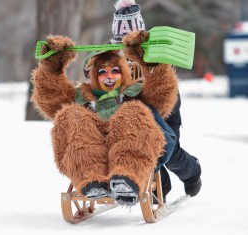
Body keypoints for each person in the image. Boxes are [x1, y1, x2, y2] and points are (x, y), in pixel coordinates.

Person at [31, 31, 179, 206]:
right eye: (102, 72)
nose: (109, 76)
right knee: (70, 114)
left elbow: (162, 95)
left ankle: (125, 178)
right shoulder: (80, 96)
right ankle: (92, 180)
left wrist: (150, 62)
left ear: (123, 73)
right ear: (93, 75)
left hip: (129, 148)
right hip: (92, 152)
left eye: (115, 71)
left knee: (133, 111)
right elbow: (51, 99)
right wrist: (52, 67)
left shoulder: (134, 92)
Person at [110, 0, 202, 201]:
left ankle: (192, 171)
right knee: (139, 145)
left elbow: (163, 82)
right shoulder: (110, 53)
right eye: (120, 39)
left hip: (163, 103)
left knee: (167, 149)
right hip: (131, 107)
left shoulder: (154, 49)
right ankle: (159, 187)